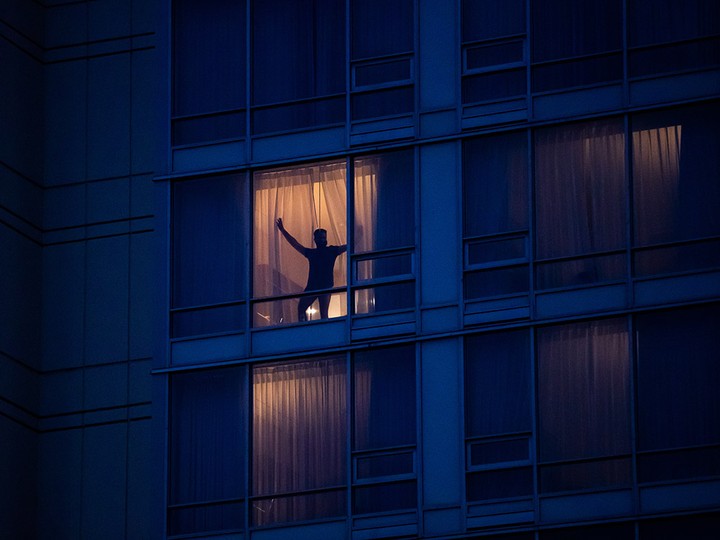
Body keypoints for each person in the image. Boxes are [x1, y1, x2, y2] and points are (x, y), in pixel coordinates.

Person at [275, 217, 347, 321]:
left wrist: (283, 230)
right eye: (320, 238)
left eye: (323, 238)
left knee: (318, 313)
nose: (322, 240)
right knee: (309, 310)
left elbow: (295, 244)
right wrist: (283, 230)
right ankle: (307, 329)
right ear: (315, 240)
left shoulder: (328, 251)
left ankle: (307, 329)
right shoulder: (323, 252)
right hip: (317, 286)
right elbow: (295, 244)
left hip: (321, 286)